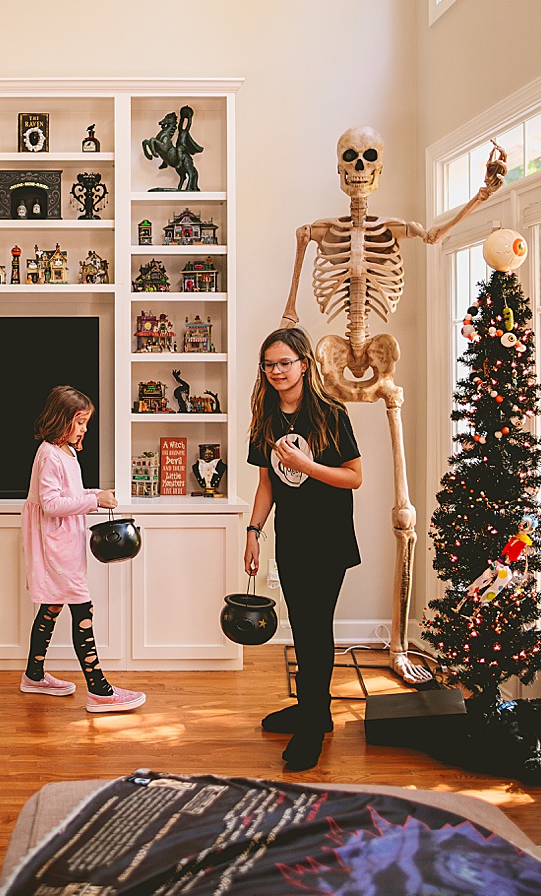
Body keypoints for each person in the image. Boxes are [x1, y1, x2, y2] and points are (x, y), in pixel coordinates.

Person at [244, 327, 362, 771]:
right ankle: (315, 711)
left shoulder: (330, 413)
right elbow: (266, 484)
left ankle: (312, 723)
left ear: (304, 364)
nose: (277, 371)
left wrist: (307, 466)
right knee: (302, 628)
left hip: (328, 537)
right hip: (290, 538)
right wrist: (254, 531)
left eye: (284, 363)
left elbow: (354, 477)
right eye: (269, 364)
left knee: (316, 629)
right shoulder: (265, 417)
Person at [20, 386, 145, 713]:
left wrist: (95, 494)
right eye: (80, 422)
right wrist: (93, 500)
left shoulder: (66, 453)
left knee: (52, 606)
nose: (84, 428)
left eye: (86, 422)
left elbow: (68, 494)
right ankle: (100, 690)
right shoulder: (49, 454)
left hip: (66, 541)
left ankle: (34, 675)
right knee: (81, 610)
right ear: (62, 420)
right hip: (56, 544)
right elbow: (50, 504)